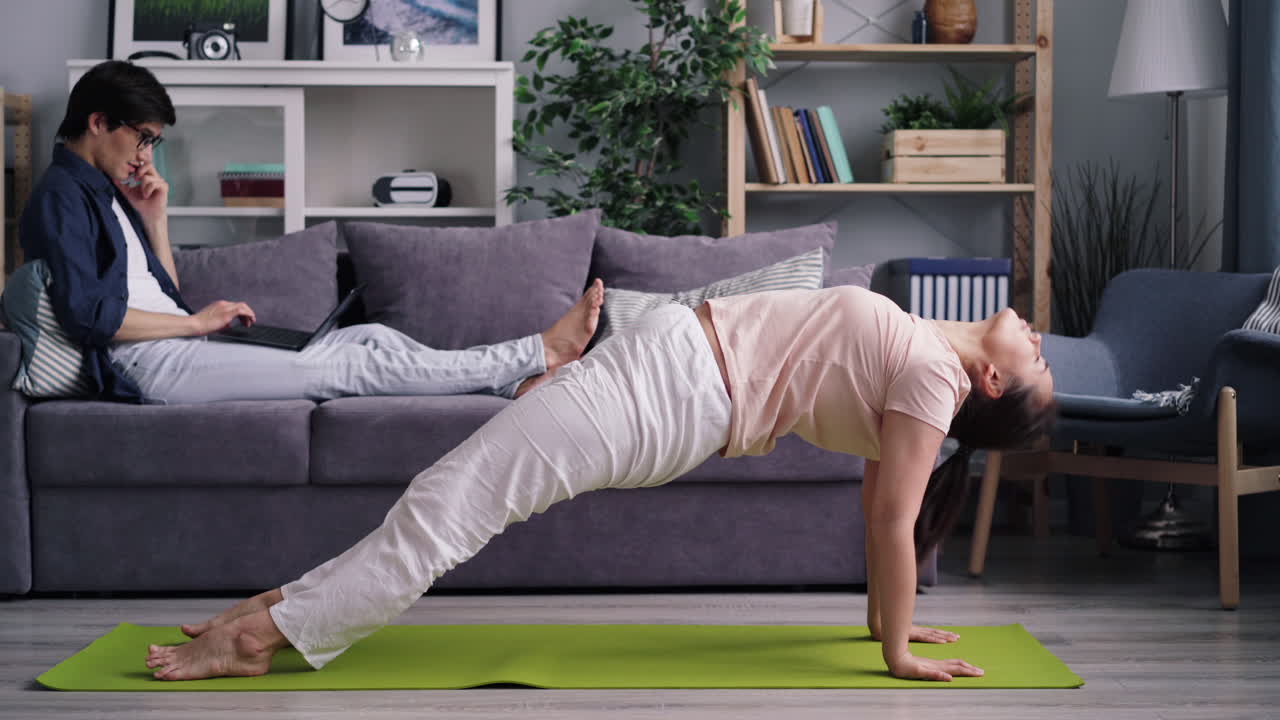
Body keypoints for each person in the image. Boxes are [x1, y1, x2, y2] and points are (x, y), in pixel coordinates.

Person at [143, 281, 1057, 683]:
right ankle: (283, 605)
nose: (1039, 338)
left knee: (448, 509)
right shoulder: (926, 359)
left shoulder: (935, 380)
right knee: (442, 493)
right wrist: (878, 622)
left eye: (1037, 361)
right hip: (661, 369)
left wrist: (896, 651)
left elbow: (895, 521)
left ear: (990, 382)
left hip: (672, 393)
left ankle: (265, 636)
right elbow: (874, 506)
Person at [19, 59, 602, 405]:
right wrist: (198, 323)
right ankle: (537, 352)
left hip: (177, 345)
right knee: (346, 367)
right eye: (142, 137)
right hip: (147, 367)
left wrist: (154, 219)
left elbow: (158, 296)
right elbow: (91, 319)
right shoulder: (62, 197)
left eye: (152, 141)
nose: (146, 153)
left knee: (370, 338)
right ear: (99, 123)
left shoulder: (105, 192)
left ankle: (509, 383)